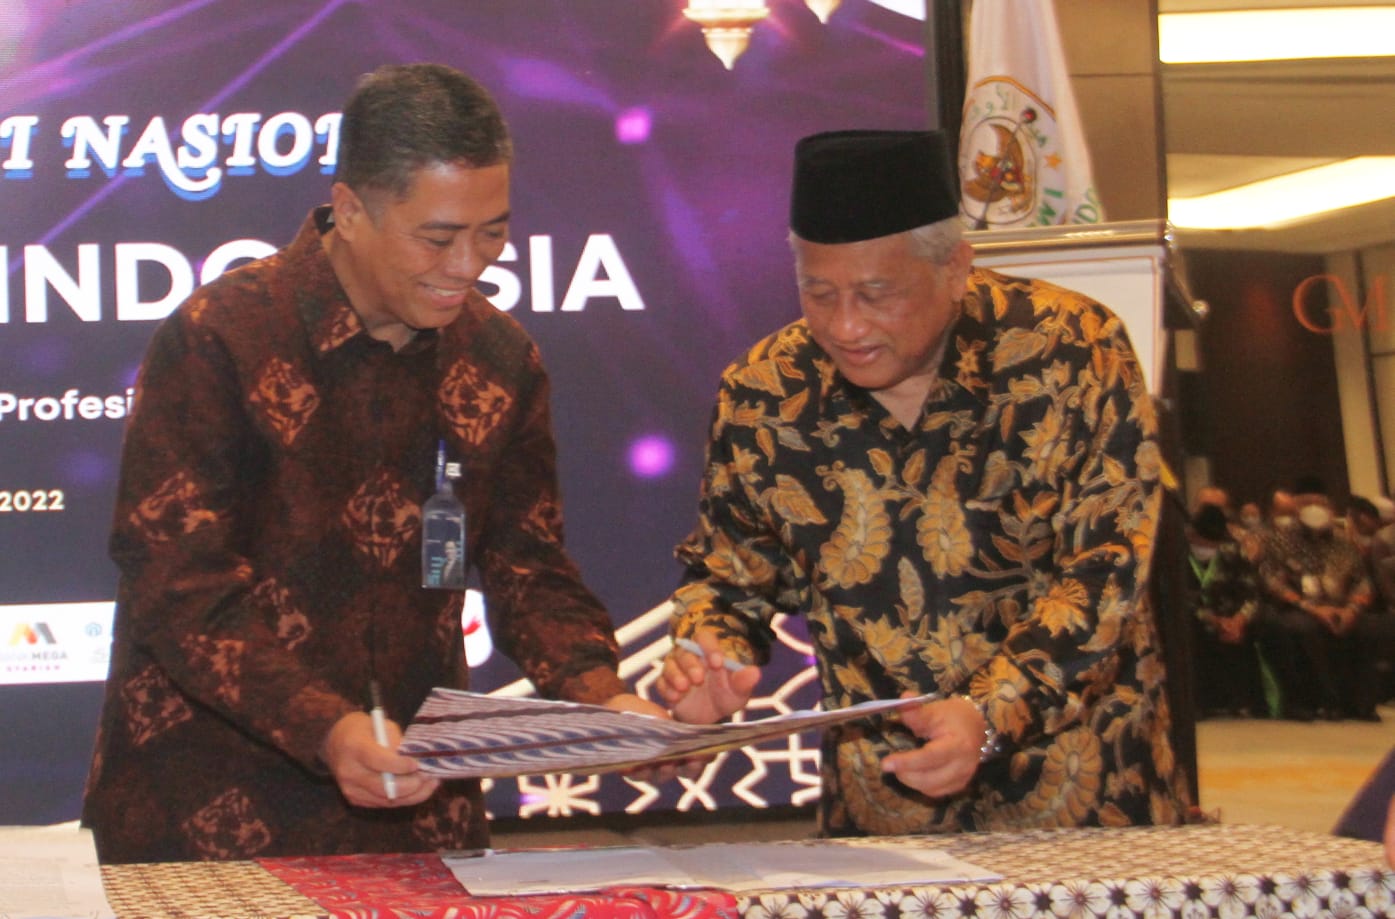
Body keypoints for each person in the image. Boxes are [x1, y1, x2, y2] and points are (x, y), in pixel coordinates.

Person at [82, 63, 670, 863]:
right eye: (438, 237)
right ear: (352, 210)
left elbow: (526, 567)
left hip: (419, 810)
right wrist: (326, 726)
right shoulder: (221, 335)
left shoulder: (500, 358)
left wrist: (607, 699)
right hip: (209, 811)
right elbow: (177, 583)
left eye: (492, 232)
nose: (469, 264)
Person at [655, 129, 1190, 835]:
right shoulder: (765, 393)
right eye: (819, 293)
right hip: (883, 815)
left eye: (877, 294)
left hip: (1086, 803)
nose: (846, 326)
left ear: (955, 267)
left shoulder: (1070, 351)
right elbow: (729, 578)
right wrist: (709, 658)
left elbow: (1104, 570)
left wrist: (988, 711)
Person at [1255, 478, 1376, 720]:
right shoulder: (1278, 540)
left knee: (1370, 629)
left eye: (1321, 504)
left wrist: (1351, 609)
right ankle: (1316, 701)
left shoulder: (1343, 542)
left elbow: (1362, 581)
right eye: (1307, 504)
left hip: (1341, 607)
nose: (1315, 509)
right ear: (1296, 509)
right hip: (1297, 608)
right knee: (1303, 629)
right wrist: (1312, 608)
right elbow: (1271, 582)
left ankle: (1358, 703)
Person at [1184, 504, 1265, 718]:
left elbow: (1251, 593)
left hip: (1231, 615)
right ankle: (1200, 702)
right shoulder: (1178, 555)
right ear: (1192, 534)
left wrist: (1239, 619)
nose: (1209, 546)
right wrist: (1214, 620)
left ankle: (1244, 702)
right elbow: (1181, 598)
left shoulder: (1232, 552)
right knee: (1189, 629)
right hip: (1196, 617)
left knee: (1261, 626)